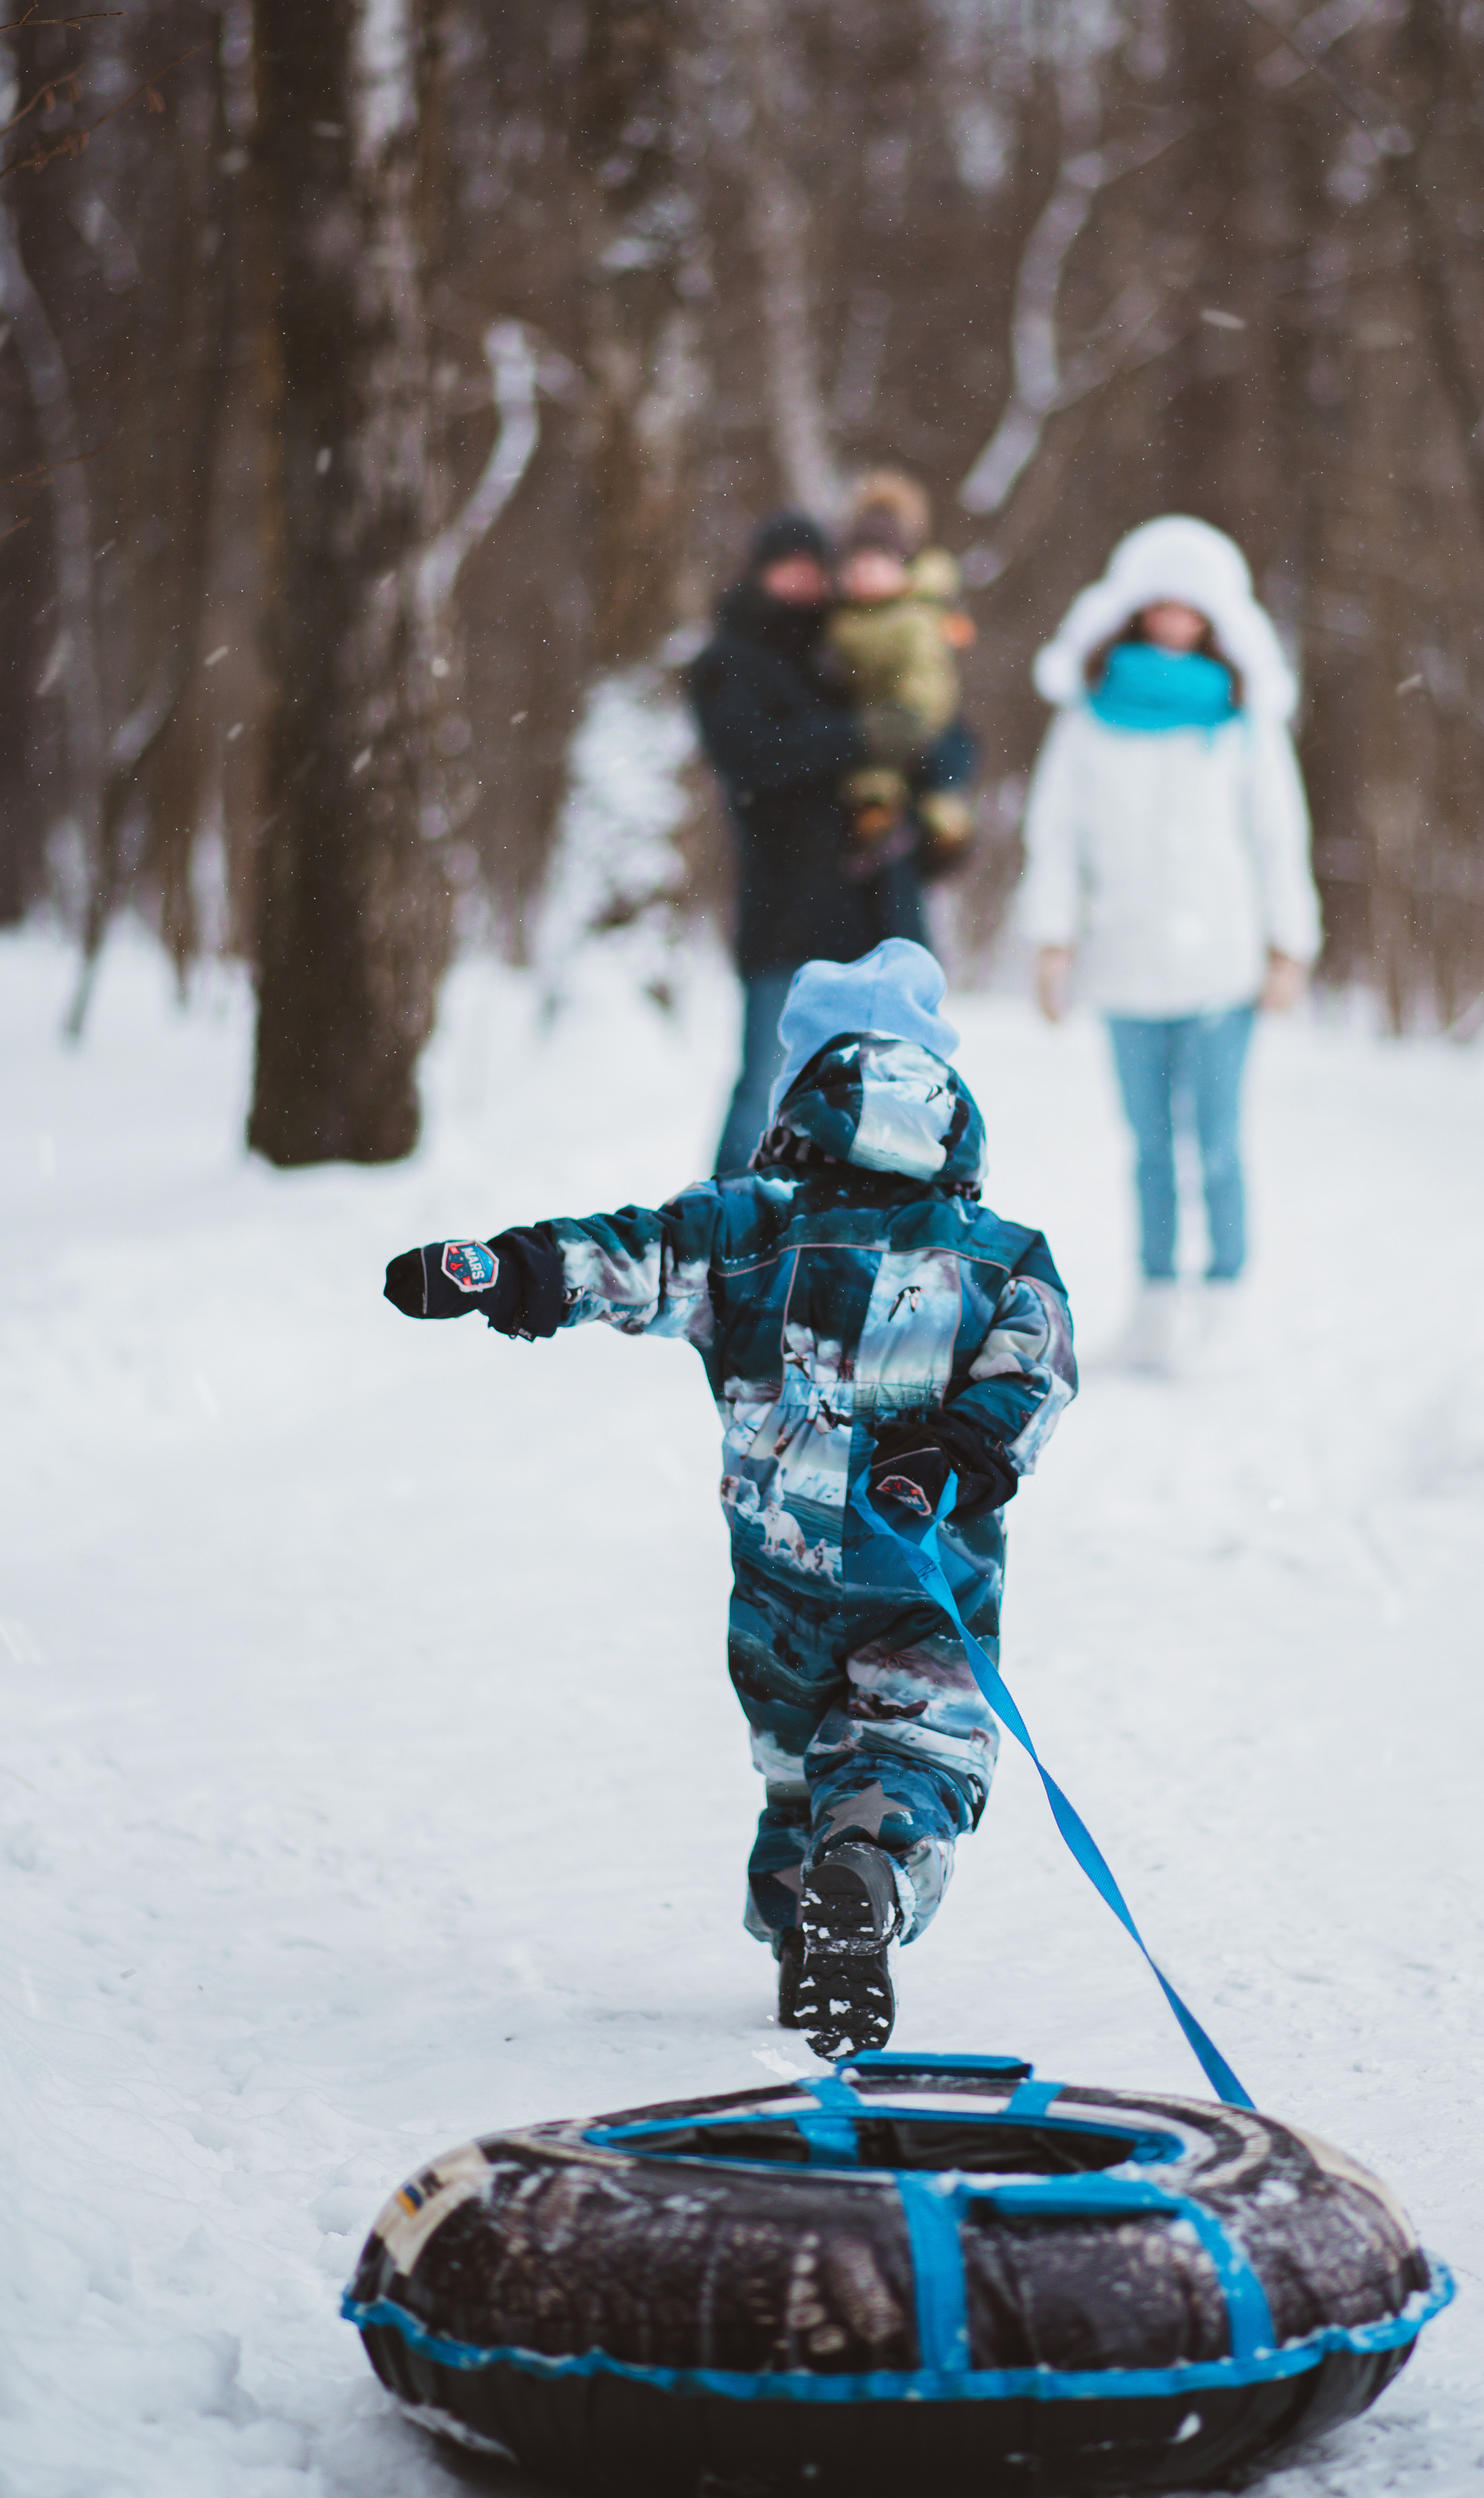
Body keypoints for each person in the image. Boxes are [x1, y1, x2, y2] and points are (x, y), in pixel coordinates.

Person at [381, 940, 1076, 2058]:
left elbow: (627, 1258)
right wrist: (956, 1455)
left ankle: (809, 1922)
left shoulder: (744, 1225)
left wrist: (499, 1268)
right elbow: (1034, 1372)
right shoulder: (1000, 1252)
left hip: (779, 1593)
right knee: (917, 1755)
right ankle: (870, 1882)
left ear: (799, 1090)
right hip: (924, 1585)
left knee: (799, 1769)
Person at [1016, 515, 1322, 1373]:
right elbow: (1056, 839)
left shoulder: (1239, 719)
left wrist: (1288, 944)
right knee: (1147, 1146)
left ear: (1216, 619)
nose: (1174, 621)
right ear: (1133, 609)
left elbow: (1276, 835)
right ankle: (1154, 1301)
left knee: (1216, 1141)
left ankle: (1223, 1300)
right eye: (1160, 604)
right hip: (1125, 961)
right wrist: (1051, 939)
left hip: (1221, 963)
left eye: (1192, 608)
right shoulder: (1087, 719)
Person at [689, 509, 977, 1177]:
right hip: (784, 906)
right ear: (758, 573)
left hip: (879, 907)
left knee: (893, 1088)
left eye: (812, 568)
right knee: (769, 1081)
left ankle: (875, 1225)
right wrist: (862, 739)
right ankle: (729, 1219)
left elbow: (950, 739)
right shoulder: (733, 660)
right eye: (784, 568)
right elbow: (750, 757)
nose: (800, 583)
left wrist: (930, 763)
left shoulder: (856, 643)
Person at [820, 469, 977, 873]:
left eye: (877, 566)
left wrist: (911, 712)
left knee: (928, 784)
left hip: (909, 715)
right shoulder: (841, 617)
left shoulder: (917, 616)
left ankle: (941, 827)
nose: (865, 576)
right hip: (869, 724)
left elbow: (928, 675)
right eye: (857, 569)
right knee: (874, 777)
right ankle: (880, 818)